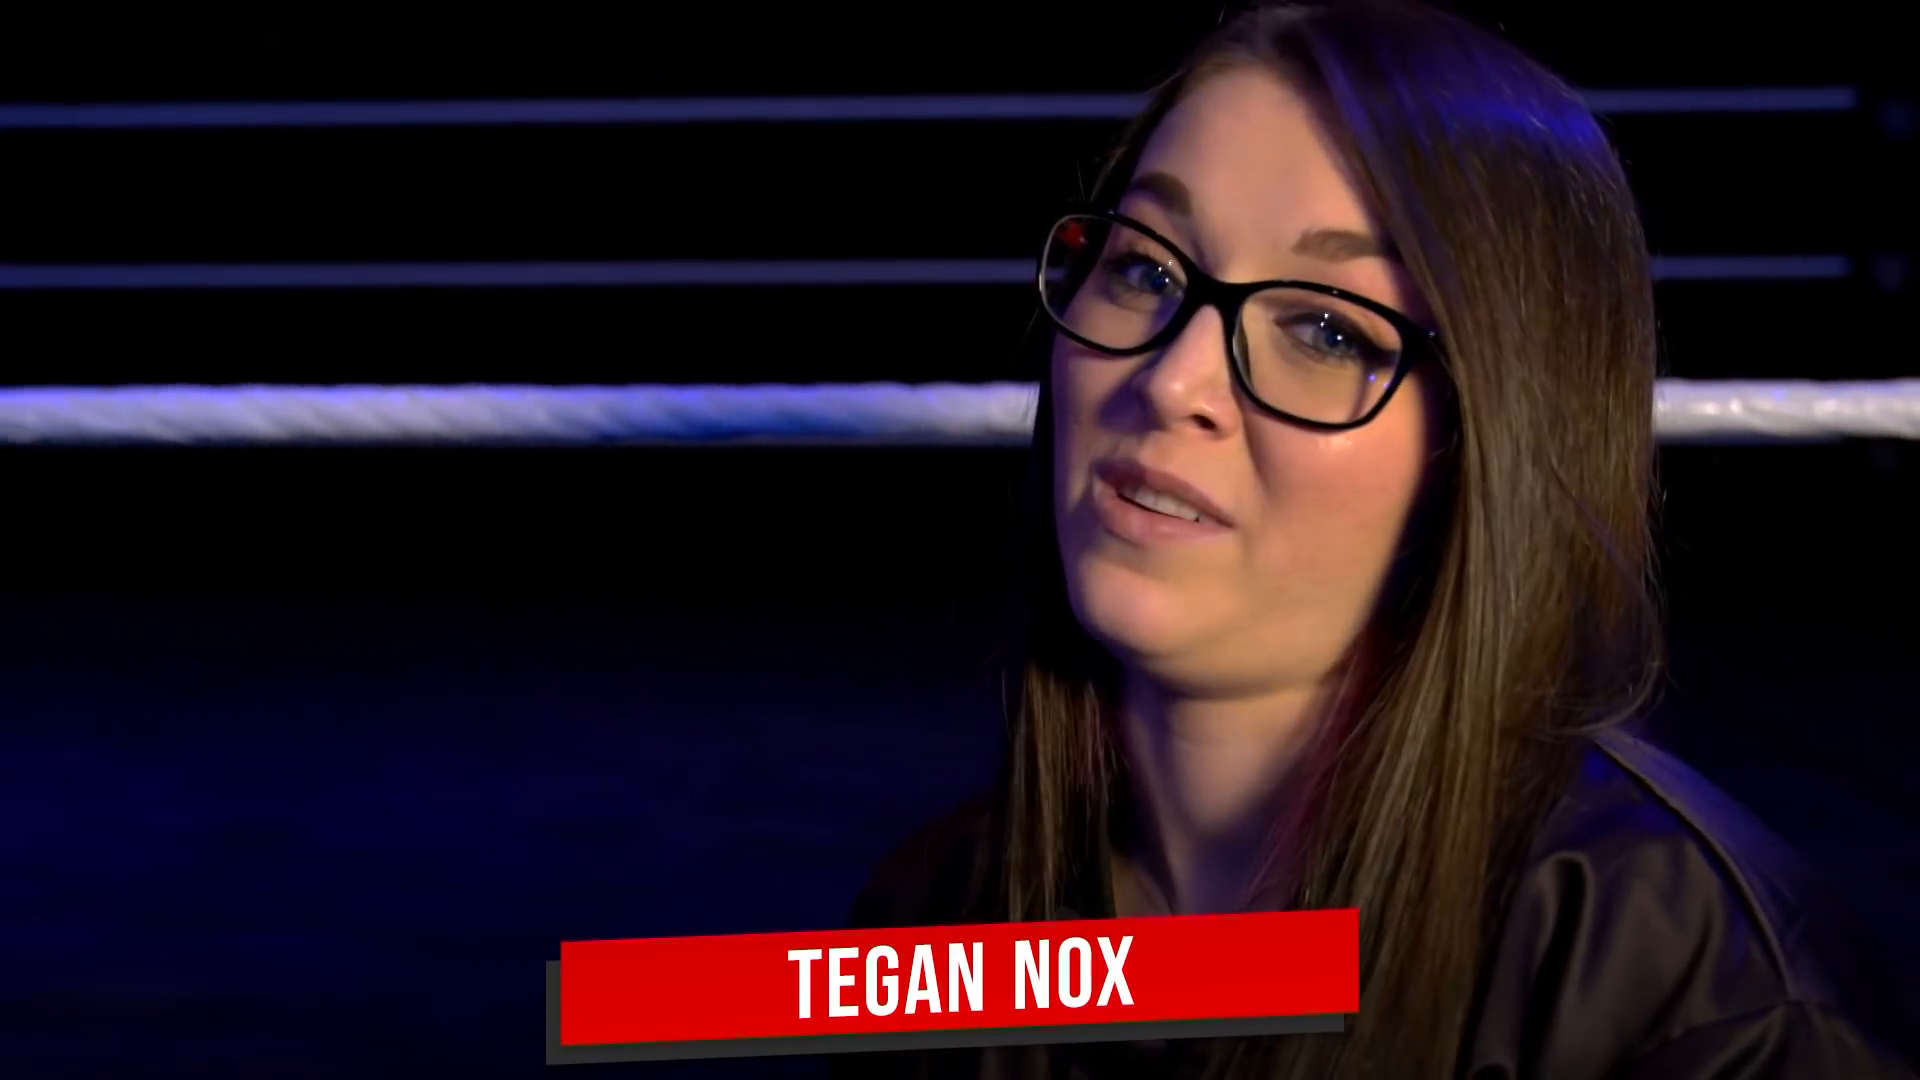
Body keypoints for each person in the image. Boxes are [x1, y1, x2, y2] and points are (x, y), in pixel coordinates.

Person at [836, 2, 1913, 1078]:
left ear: (1489, 433)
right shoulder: (932, 930)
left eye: (1327, 330)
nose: (1172, 381)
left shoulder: (1699, 995)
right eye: (1146, 271)